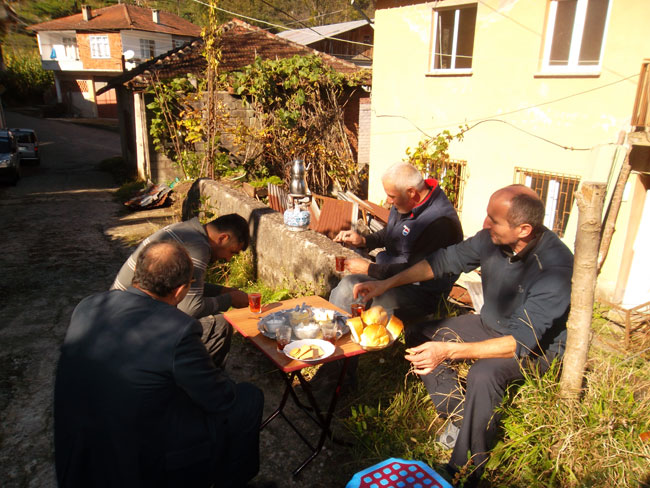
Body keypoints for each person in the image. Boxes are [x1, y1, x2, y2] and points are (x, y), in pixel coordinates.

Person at [353, 185, 573, 477]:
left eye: (494, 220)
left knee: (484, 374)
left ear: (523, 229)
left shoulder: (555, 268)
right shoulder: (491, 239)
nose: (485, 224)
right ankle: (459, 415)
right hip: (491, 325)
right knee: (419, 334)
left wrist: (448, 351)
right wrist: (385, 284)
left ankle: (464, 469)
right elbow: (441, 262)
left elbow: (520, 342)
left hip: (537, 348)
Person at [55, 241, 264, 488]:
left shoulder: (88, 305)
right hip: (139, 459)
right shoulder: (178, 329)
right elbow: (220, 399)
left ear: (138, 273)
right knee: (248, 398)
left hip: (78, 450)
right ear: (180, 291)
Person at [111, 213, 250, 367]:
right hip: (134, 328)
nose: (228, 259)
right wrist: (230, 300)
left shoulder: (184, 230)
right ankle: (198, 377)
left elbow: (187, 286)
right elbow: (190, 308)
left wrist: (222, 291)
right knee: (218, 324)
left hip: (119, 311)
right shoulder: (198, 247)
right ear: (223, 238)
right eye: (232, 252)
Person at [330, 162, 463, 322]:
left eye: (392, 196)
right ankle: (335, 328)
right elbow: (392, 232)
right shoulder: (405, 202)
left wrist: (369, 269)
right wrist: (364, 240)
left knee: (354, 292)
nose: (388, 201)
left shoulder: (440, 223)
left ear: (411, 192)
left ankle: (342, 331)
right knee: (347, 287)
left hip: (421, 291)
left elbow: (416, 271)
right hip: (391, 276)